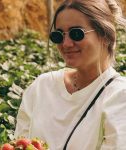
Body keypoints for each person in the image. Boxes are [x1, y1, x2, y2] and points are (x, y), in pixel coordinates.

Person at [14, 0, 126, 149]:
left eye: (76, 33)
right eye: (58, 35)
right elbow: (20, 143)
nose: (66, 44)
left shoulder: (119, 97)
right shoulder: (42, 87)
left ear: (105, 34)